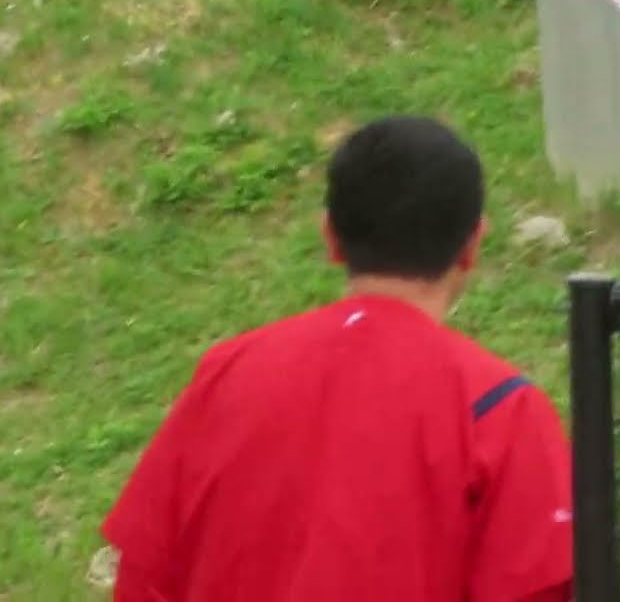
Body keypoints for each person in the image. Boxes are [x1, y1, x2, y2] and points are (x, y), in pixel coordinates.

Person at [101, 115, 573, 602]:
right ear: (472, 244)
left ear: (329, 236)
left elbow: (144, 578)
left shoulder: (226, 374)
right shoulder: (501, 411)